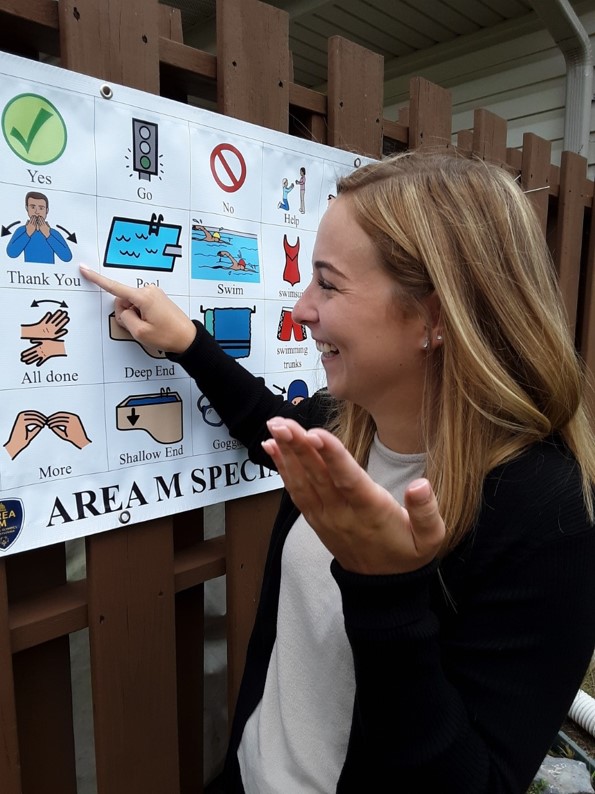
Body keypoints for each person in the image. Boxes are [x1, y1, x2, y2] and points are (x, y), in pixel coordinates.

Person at [81, 149, 595, 794]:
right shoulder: (346, 425)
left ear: (433, 318)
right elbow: (267, 421)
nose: (300, 309)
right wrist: (188, 341)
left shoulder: (544, 513)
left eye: (327, 282)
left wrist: (386, 587)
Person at [7, 191, 73, 264]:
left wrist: (48, 235)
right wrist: (27, 234)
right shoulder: (21, 230)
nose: (37, 212)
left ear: (47, 210)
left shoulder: (54, 233)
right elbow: (11, 253)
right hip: (26, 273)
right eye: (32, 207)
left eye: (41, 208)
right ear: (27, 208)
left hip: (49, 274)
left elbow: (67, 257)